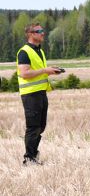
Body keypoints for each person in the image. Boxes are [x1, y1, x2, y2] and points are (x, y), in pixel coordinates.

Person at [17, 23, 63, 166]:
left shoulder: (39, 51)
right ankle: (29, 159)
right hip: (30, 95)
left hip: (41, 93)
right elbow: (24, 73)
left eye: (43, 31)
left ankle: (33, 155)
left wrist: (51, 70)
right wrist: (45, 70)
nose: (43, 33)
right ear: (31, 34)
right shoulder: (24, 52)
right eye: (39, 31)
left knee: (40, 126)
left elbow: (39, 70)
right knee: (33, 127)